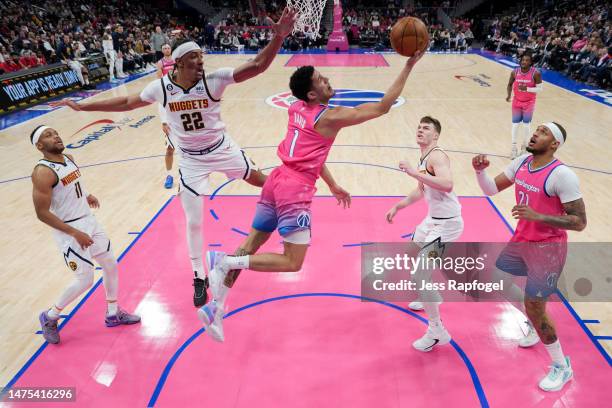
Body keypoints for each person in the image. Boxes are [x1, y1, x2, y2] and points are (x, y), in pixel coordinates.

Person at [51, 8, 298, 308]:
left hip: (222, 148)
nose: (200, 66)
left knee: (265, 181)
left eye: (202, 61)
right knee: (194, 221)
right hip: (191, 160)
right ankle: (198, 277)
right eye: (195, 62)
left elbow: (257, 65)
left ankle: (292, 205)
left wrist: (279, 37)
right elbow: (127, 102)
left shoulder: (214, 80)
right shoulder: (162, 88)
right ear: (178, 64)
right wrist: (85, 107)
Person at [200, 52, 423, 342]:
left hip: (276, 179)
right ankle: (224, 260)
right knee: (293, 262)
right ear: (311, 93)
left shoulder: (295, 107)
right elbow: (382, 107)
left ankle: (216, 307)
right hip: (295, 189)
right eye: (321, 80)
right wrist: (408, 64)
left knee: (252, 244)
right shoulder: (329, 117)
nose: (328, 80)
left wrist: (331, 184)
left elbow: (310, 150)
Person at [473, 122, 586, 391]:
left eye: (543, 132)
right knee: (497, 278)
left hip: (548, 249)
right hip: (522, 239)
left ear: (555, 143)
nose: (535, 134)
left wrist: (539, 216)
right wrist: (480, 172)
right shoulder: (523, 162)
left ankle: (562, 366)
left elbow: (580, 222)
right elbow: (490, 189)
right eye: (536, 130)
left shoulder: (563, 176)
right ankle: (535, 324)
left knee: (535, 305)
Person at [31, 126, 140, 344]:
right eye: (49, 135)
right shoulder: (42, 172)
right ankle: (50, 316)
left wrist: (87, 195)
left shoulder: (69, 158)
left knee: (110, 263)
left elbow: (74, 184)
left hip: (89, 220)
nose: (56, 135)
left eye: (56, 132)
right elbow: (41, 213)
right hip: (69, 230)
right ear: (40, 146)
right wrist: (75, 232)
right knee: (85, 279)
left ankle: (112, 312)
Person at [384, 116, 463, 351]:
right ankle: (430, 294)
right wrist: (399, 206)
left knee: (419, 274)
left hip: (447, 225)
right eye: (419, 127)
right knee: (411, 253)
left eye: (426, 128)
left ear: (436, 135)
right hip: (432, 220)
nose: (420, 130)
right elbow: (421, 190)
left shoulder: (437, 155)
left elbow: (447, 184)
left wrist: (413, 172)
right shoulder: (425, 157)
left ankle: (437, 330)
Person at [506, 52, 542, 158]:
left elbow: (540, 89)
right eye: (523, 60)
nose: (524, 62)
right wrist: (508, 96)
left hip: (529, 102)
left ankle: (524, 147)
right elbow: (509, 84)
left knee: (526, 125)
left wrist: (527, 89)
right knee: (515, 124)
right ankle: (513, 148)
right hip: (517, 101)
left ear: (531, 63)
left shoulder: (536, 73)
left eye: (527, 60)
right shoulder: (514, 72)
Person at [156, 43, 176, 188]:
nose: (166, 50)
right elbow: (160, 103)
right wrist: (163, 122)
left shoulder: (176, 60)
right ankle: (169, 175)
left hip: (183, 120)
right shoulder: (160, 64)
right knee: (170, 149)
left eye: (168, 48)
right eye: (164, 48)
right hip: (170, 120)